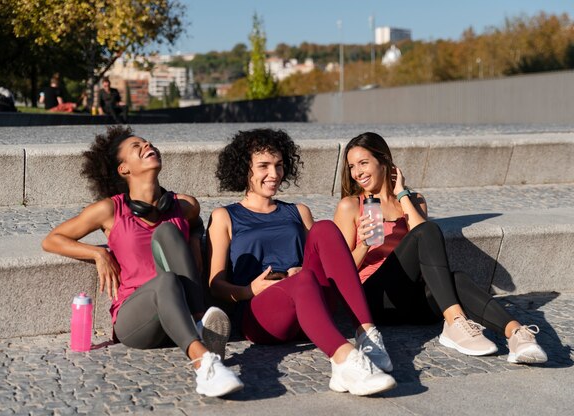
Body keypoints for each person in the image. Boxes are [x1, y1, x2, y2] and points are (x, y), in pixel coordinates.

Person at [41, 125, 243, 397]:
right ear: (124, 169)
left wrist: (194, 239)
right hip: (137, 320)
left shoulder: (184, 206)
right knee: (167, 281)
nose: (148, 146)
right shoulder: (111, 210)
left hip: (179, 312)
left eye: (149, 143)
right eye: (137, 147)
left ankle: (198, 323)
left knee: (168, 232)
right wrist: (98, 253)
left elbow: (195, 224)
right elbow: (52, 239)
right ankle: (204, 363)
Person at [206, 128, 397, 396]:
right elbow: (215, 285)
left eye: (279, 165)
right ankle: (345, 361)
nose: (274, 174)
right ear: (243, 169)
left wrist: (363, 244)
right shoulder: (225, 216)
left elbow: (325, 261)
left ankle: (367, 335)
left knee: (326, 229)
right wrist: (250, 290)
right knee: (304, 278)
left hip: (312, 303)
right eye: (263, 166)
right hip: (263, 315)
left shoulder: (298, 211)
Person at [333, 132, 548, 365]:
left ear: (384, 160)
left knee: (457, 278)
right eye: (352, 166)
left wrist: (401, 194)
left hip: (415, 306)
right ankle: (456, 321)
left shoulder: (414, 200)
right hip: (375, 298)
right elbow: (337, 273)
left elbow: (425, 239)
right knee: (428, 232)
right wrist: (364, 245)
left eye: (363, 163)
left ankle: (517, 335)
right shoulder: (351, 206)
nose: (357, 172)